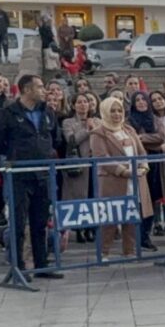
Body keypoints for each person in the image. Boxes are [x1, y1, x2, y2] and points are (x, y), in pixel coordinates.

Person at [0, 75, 64, 277]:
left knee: (40, 222)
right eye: (40, 87)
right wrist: (16, 154)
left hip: (43, 174)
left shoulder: (47, 112)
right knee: (19, 223)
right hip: (20, 176)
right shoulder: (9, 113)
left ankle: (41, 264)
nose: (44, 90)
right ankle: (18, 266)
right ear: (26, 90)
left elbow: (55, 138)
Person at [89, 97, 153, 257]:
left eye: (119, 110)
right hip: (113, 181)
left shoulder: (129, 130)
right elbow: (102, 158)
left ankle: (129, 251)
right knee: (110, 219)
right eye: (112, 111)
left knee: (131, 216)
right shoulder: (98, 133)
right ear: (104, 112)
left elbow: (142, 152)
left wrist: (144, 166)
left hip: (135, 180)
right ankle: (103, 253)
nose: (117, 114)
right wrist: (124, 172)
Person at [127, 92, 165, 251]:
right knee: (139, 199)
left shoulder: (155, 119)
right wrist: (151, 140)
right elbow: (132, 140)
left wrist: (142, 138)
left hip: (155, 163)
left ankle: (145, 235)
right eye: (137, 100)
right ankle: (135, 236)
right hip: (139, 162)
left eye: (144, 99)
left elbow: (161, 137)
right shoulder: (129, 121)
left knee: (152, 199)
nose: (141, 102)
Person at [61, 92, 98, 243]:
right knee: (78, 197)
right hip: (78, 164)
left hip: (94, 163)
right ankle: (79, 228)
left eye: (86, 101)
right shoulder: (68, 122)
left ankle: (92, 228)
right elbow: (72, 140)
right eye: (79, 102)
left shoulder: (97, 121)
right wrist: (87, 130)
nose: (83, 104)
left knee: (93, 196)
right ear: (74, 105)